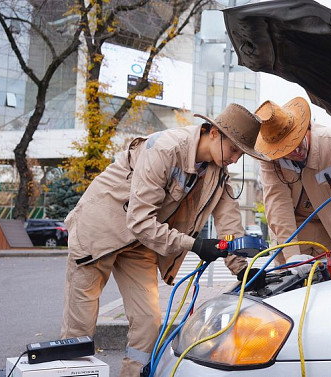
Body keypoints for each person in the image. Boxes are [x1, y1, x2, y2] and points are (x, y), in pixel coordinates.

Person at [60, 103, 268, 377]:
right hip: (99, 231)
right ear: (214, 133)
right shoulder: (164, 149)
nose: (235, 159)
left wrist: (243, 269)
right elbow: (140, 220)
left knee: (148, 320)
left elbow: (228, 223)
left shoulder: (217, 173)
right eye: (234, 150)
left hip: (141, 243)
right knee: (80, 326)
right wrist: (193, 245)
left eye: (241, 154)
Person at [255, 97, 331, 265]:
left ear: (307, 127)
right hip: (292, 232)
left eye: (296, 141)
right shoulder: (270, 160)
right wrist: (291, 255)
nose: (295, 151)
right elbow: (278, 205)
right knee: (289, 282)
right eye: (287, 149)